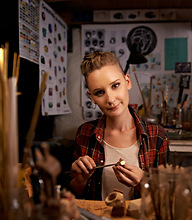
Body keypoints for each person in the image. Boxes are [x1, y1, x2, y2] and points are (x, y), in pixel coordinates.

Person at [69, 51, 169, 200]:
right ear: (92, 97)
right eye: (99, 92)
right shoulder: (84, 133)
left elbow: (168, 195)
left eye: (115, 85)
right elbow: (76, 194)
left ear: (127, 82)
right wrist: (80, 180)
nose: (110, 99)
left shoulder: (157, 136)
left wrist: (144, 182)